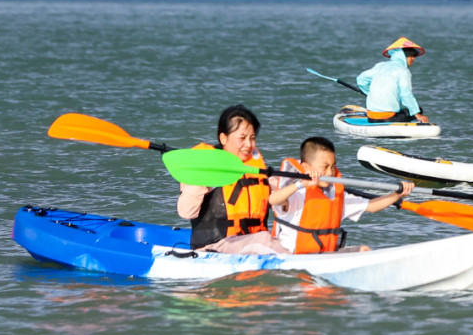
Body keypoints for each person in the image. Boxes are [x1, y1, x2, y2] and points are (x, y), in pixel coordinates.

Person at [270, 136, 414, 253]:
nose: (330, 173)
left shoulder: (336, 195)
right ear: (306, 167)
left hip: (324, 255)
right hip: (292, 256)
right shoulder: (298, 193)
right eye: (324, 167)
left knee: (363, 250)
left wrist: (397, 194)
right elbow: (274, 199)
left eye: (333, 167)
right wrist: (300, 184)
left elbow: (371, 206)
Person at [176, 104, 287, 254]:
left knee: (283, 237)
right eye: (242, 138)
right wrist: (203, 177)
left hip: (249, 241)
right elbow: (185, 212)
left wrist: (302, 183)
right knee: (264, 240)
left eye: (252, 138)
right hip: (215, 246)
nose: (249, 144)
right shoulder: (208, 165)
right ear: (223, 138)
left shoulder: (256, 168)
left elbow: (282, 202)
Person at [356, 37, 429, 124]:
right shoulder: (403, 71)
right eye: (412, 56)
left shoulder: (379, 66)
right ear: (405, 57)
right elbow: (406, 94)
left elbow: (360, 80)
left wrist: (370, 93)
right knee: (418, 109)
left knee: (405, 109)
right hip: (389, 118)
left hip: (371, 118)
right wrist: (418, 115)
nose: (413, 59)